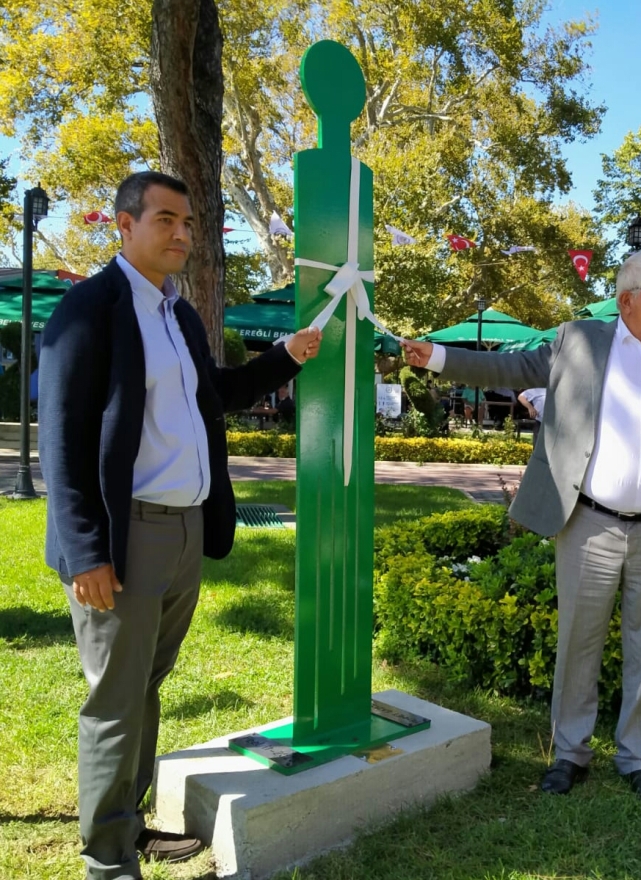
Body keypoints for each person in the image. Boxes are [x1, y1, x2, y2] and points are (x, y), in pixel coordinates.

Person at [38, 171, 322, 880]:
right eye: (165, 219)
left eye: (189, 222)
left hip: (185, 531)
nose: (182, 234)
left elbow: (215, 394)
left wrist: (284, 356)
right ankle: (108, 862)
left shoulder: (180, 315)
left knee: (145, 687)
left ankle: (126, 826)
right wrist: (85, 551)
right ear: (124, 225)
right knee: (115, 701)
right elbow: (62, 441)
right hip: (124, 537)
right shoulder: (88, 309)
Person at [401, 249, 641, 809]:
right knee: (579, 642)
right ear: (627, 299)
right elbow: (509, 370)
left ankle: (638, 759)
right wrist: (436, 356)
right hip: (589, 524)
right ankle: (570, 754)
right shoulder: (579, 340)